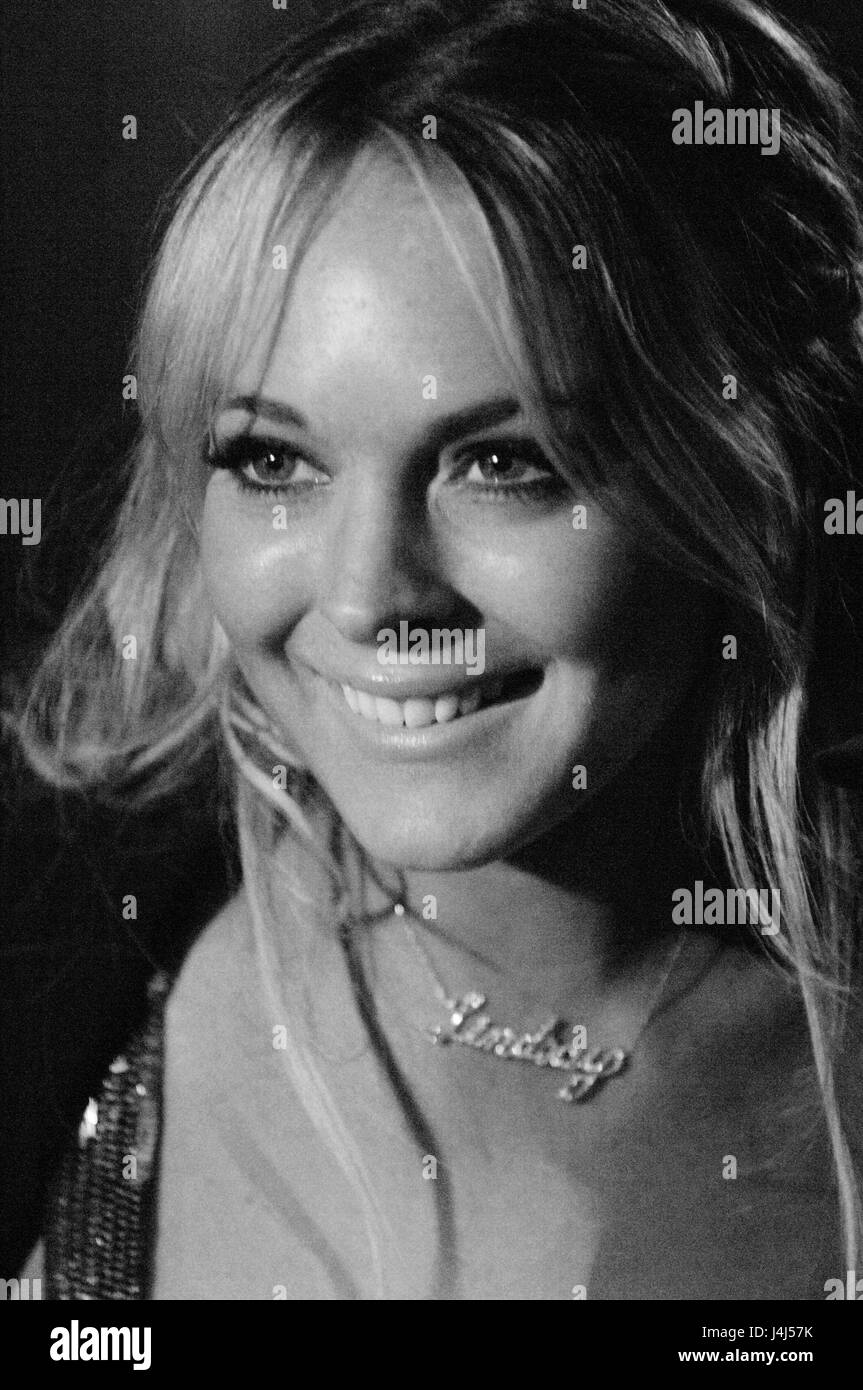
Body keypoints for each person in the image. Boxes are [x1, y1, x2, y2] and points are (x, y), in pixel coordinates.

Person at [11, 0, 863, 1299]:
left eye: (504, 463)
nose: (369, 597)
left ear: (753, 482)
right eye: (274, 459)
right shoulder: (62, 958)